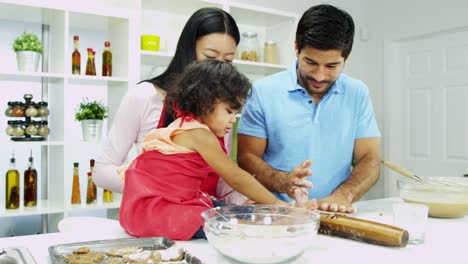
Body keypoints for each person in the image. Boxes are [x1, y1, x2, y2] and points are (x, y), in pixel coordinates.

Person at [119, 60, 307, 240]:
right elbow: (236, 177)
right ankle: (284, 217)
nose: (234, 119)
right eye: (229, 111)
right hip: (157, 212)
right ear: (204, 103)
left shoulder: (185, 125)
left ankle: (283, 215)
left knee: (224, 211)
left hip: (159, 206)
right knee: (228, 225)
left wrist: (247, 205)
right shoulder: (200, 135)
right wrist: (275, 203)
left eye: (236, 113)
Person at [236, 4, 381, 213]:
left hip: (336, 214)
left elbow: (370, 159)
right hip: (277, 212)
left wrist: (343, 195)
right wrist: (283, 182)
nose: (320, 76)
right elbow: (247, 157)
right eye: (310, 62)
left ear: (346, 59)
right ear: (296, 48)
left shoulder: (357, 93)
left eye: (332, 66)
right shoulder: (262, 91)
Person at [93, 7, 245, 204]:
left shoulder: (222, 109)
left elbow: (220, 177)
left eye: (227, 61)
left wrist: (241, 201)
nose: (218, 69)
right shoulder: (145, 96)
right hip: (157, 221)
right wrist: (157, 185)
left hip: (202, 219)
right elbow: (102, 171)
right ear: (188, 50)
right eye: (209, 57)